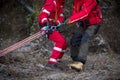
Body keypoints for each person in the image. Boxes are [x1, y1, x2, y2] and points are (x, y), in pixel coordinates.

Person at [65, 0, 102, 71]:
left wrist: (71, 19)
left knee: (85, 38)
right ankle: (75, 60)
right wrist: (72, 19)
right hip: (83, 23)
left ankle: (80, 62)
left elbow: (85, 13)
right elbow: (75, 12)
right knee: (74, 39)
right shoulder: (76, 1)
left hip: (94, 24)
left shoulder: (91, 1)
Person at [38, 0, 67, 71]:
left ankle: (57, 60)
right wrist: (46, 24)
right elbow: (43, 15)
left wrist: (56, 23)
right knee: (60, 41)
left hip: (52, 26)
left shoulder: (60, 3)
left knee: (64, 44)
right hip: (46, 27)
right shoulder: (51, 2)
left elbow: (60, 16)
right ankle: (51, 63)